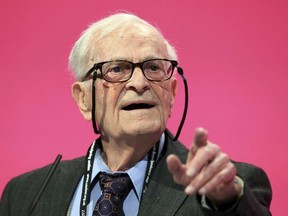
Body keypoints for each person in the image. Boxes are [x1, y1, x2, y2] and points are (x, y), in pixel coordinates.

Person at [0, 12, 272, 216]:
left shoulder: (226, 189)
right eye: (116, 69)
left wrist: (228, 199)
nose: (140, 83)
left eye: (153, 68)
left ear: (172, 92)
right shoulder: (26, 194)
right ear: (84, 99)